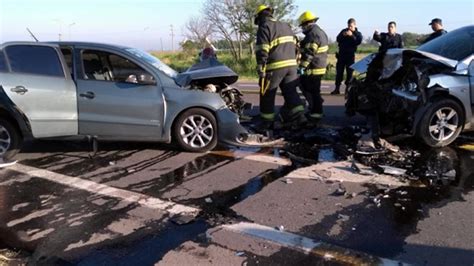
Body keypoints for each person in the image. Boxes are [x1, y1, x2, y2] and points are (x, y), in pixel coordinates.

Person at [254, 4, 305, 131]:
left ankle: (267, 122)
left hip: (274, 67)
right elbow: (296, 45)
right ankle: (300, 116)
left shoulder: (264, 26)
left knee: (267, 94)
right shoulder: (285, 25)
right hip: (291, 66)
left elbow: (262, 49)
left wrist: (261, 66)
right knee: (291, 92)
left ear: (260, 17)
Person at [297, 11, 329, 122]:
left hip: (314, 68)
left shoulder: (313, 34)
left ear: (307, 23)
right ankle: (315, 106)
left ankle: (316, 113)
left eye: (303, 26)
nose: (302, 28)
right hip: (318, 67)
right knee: (311, 90)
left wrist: (301, 67)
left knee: (313, 91)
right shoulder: (319, 32)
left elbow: (309, 53)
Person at [331, 18, 363, 95]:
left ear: (355, 25)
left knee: (350, 73)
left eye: (351, 26)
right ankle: (337, 88)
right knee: (339, 72)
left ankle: (347, 89)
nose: (349, 28)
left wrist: (352, 35)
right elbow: (338, 39)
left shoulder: (358, 34)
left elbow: (358, 41)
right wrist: (343, 35)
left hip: (350, 56)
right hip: (341, 55)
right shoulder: (343, 31)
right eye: (348, 26)